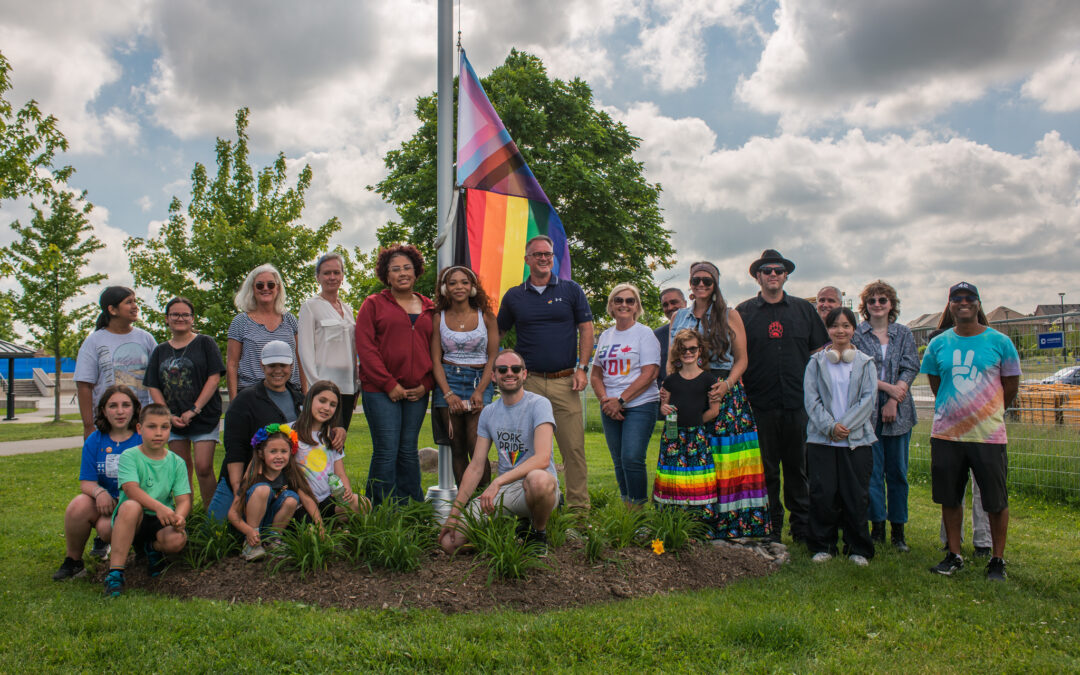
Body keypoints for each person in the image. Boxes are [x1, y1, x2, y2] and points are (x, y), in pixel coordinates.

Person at [922, 282, 1020, 580]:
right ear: (949, 305)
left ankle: (997, 559)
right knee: (950, 498)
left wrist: (988, 412)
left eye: (969, 298)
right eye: (956, 299)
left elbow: (1011, 386)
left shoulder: (1000, 342)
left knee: (995, 499)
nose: (963, 303)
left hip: (987, 436)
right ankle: (954, 555)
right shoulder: (939, 344)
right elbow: (937, 386)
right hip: (947, 435)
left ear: (978, 304)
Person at [668, 261, 772, 538]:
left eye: (707, 281)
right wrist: (672, 389)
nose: (701, 285)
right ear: (690, 283)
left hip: (723, 389)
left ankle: (732, 523)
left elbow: (742, 359)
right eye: (696, 281)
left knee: (726, 457)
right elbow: (671, 358)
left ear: (715, 285)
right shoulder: (679, 317)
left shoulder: (729, 315)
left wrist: (726, 385)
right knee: (692, 454)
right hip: (688, 389)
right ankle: (693, 522)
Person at [736, 249, 828, 544]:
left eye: (778, 270)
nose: (772, 274)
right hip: (759, 405)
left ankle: (801, 529)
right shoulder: (743, 312)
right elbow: (737, 356)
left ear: (786, 275)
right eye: (766, 270)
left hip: (798, 404)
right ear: (757, 277)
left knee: (798, 469)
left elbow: (818, 355)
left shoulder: (804, 310)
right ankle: (771, 527)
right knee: (765, 471)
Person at [497, 235, 594, 513]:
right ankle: (527, 505)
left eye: (548, 254)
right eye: (537, 254)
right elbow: (498, 333)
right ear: (527, 260)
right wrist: (500, 367)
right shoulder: (515, 296)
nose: (543, 258)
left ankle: (578, 512)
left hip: (566, 382)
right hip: (529, 385)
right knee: (527, 452)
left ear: (553, 258)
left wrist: (582, 368)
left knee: (573, 450)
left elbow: (586, 329)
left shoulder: (571, 290)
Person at [439, 350, 559, 555]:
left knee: (538, 479)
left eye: (515, 369)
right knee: (450, 543)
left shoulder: (539, 404)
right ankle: (506, 533)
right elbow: (476, 466)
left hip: (535, 485)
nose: (509, 373)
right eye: (502, 369)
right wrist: (454, 513)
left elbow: (542, 458)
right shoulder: (489, 412)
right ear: (494, 376)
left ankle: (538, 532)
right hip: (506, 492)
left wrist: (497, 482)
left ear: (524, 374)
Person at [355, 244, 434, 506]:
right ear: (386, 276)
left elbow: (438, 351)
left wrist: (426, 385)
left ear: (416, 271)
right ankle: (379, 510)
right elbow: (365, 349)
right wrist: (389, 384)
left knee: (408, 451)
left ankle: (411, 508)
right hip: (380, 391)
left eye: (407, 268)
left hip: (417, 393)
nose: (402, 273)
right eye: (395, 269)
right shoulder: (373, 304)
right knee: (386, 451)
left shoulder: (429, 307)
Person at [804, 308, 878, 566]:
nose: (840, 331)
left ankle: (858, 547)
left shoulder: (865, 362)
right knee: (823, 494)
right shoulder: (816, 362)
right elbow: (811, 400)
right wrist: (830, 427)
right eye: (835, 326)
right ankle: (823, 544)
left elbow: (869, 400)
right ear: (828, 330)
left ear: (853, 329)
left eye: (846, 326)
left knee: (855, 495)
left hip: (856, 440)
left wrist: (843, 426)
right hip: (821, 440)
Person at [851, 281, 918, 552]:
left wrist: (894, 397)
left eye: (882, 300)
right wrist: (887, 388)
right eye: (872, 301)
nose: (877, 305)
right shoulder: (857, 335)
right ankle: (876, 525)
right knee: (873, 473)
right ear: (865, 307)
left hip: (899, 412)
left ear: (891, 304)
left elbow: (911, 365)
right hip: (868, 412)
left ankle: (898, 530)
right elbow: (857, 369)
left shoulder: (904, 333)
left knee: (898, 473)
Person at [207, 341, 303, 521]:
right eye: (271, 365)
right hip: (246, 476)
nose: (277, 370)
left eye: (283, 365)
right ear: (262, 365)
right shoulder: (246, 399)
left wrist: (336, 429)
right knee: (215, 529)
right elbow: (234, 447)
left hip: (283, 479)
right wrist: (237, 488)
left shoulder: (299, 398)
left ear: (291, 365)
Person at [53, 386, 142, 581]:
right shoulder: (95, 439)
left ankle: (142, 556)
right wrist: (100, 493)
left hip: (135, 505)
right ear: (103, 410)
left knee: (106, 530)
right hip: (105, 504)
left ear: (135, 409)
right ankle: (73, 561)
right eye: (113, 406)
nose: (120, 411)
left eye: (126, 405)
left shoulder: (143, 438)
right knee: (78, 505)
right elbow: (86, 481)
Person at [103, 404, 191, 597]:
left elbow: (183, 499)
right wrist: (159, 507)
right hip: (132, 519)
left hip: (160, 519)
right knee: (131, 506)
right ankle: (115, 572)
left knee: (178, 538)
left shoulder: (177, 462)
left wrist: (180, 516)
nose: (158, 433)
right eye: (152, 427)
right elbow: (131, 489)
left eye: (164, 427)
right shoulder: (130, 456)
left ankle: (151, 549)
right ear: (139, 429)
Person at [144, 297, 224, 508]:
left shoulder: (205, 343)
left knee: (204, 466)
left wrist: (194, 410)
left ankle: (213, 519)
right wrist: (167, 415)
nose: (180, 318)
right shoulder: (160, 350)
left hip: (203, 416)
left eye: (185, 314)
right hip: (173, 419)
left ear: (192, 319)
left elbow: (214, 377)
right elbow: (152, 384)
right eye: (175, 315)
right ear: (167, 319)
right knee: (181, 469)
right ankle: (185, 516)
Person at [929, 304, 992, 557]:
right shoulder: (938, 341)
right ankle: (951, 540)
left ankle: (984, 540)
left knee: (984, 486)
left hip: (984, 426)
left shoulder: (990, 337)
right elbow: (936, 382)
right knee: (951, 487)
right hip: (950, 426)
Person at [590, 283, 660, 507]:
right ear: (611, 305)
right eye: (618, 300)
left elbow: (650, 373)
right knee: (619, 460)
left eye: (630, 301)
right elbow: (596, 375)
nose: (624, 304)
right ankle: (626, 506)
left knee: (632, 457)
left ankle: (638, 510)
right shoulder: (606, 336)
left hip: (640, 404)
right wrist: (606, 401)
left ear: (637, 306)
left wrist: (621, 400)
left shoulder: (644, 334)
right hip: (610, 406)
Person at [430, 265, 498, 487]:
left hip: (479, 381)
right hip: (448, 381)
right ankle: (465, 506)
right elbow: (436, 360)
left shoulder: (486, 316)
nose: (458, 287)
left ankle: (484, 506)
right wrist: (448, 394)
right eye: (452, 283)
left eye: (464, 282)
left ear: (472, 287)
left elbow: (493, 357)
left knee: (476, 448)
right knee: (457, 448)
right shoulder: (438, 318)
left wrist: (480, 391)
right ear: (444, 289)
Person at [653, 329, 723, 529]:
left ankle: (699, 523)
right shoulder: (670, 381)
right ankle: (671, 520)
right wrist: (664, 408)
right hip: (673, 436)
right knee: (673, 475)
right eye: (684, 349)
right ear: (678, 352)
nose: (688, 353)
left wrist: (694, 422)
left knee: (696, 476)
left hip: (696, 436)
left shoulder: (709, 380)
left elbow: (714, 411)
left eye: (692, 349)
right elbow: (664, 406)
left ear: (699, 351)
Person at [228, 423, 321, 562]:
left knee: (292, 498)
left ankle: (272, 540)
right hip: (248, 527)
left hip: (270, 523)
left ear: (291, 452)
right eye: (273, 451)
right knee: (263, 489)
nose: (279, 456)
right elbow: (233, 513)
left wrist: (321, 527)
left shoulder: (289, 474)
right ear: (261, 453)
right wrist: (248, 531)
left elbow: (307, 499)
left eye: (284, 451)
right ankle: (251, 545)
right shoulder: (254, 475)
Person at [75, 286, 158, 438]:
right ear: (112, 310)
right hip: (108, 423)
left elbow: (157, 380)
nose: (135, 307)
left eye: (135, 301)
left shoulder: (146, 339)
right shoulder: (94, 341)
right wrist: (88, 426)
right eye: (128, 302)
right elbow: (84, 385)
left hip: (142, 423)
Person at [297, 252, 359, 429]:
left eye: (336, 272)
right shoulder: (310, 307)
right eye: (326, 273)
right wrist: (316, 386)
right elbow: (305, 350)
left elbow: (353, 350)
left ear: (342, 276)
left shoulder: (348, 310)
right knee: (320, 440)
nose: (332, 277)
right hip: (324, 386)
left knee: (339, 440)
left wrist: (356, 386)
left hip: (347, 388)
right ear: (318, 277)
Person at [293, 381, 369, 518]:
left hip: (327, 500)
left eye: (332, 405)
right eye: (322, 401)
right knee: (310, 533)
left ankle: (335, 525)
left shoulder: (332, 436)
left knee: (363, 503)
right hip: (302, 503)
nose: (326, 408)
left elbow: (340, 473)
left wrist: (347, 490)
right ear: (310, 400)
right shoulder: (292, 431)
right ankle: (323, 527)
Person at [227, 263, 300, 400]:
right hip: (252, 394)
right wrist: (234, 401)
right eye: (260, 285)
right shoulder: (240, 322)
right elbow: (232, 364)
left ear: (277, 288)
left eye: (270, 285)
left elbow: (300, 358)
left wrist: (305, 394)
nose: (265, 288)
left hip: (289, 393)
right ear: (252, 289)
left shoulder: (290, 320)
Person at [654, 287, 687, 394]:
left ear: (685, 303)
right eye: (665, 305)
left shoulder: (698, 329)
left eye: (674, 302)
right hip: (666, 395)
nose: (670, 307)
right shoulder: (656, 335)